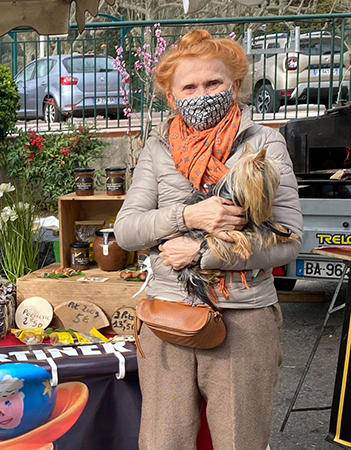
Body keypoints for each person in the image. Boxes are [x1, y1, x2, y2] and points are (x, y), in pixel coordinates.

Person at [114, 29, 302, 450]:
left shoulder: (264, 144)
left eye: (213, 83)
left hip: (243, 317)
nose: (202, 94)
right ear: (171, 96)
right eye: (190, 87)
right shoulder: (157, 147)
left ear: (235, 85)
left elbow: (289, 240)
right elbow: (126, 230)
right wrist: (187, 215)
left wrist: (203, 252)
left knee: (240, 440)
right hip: (168, 313)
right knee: (163, 441)